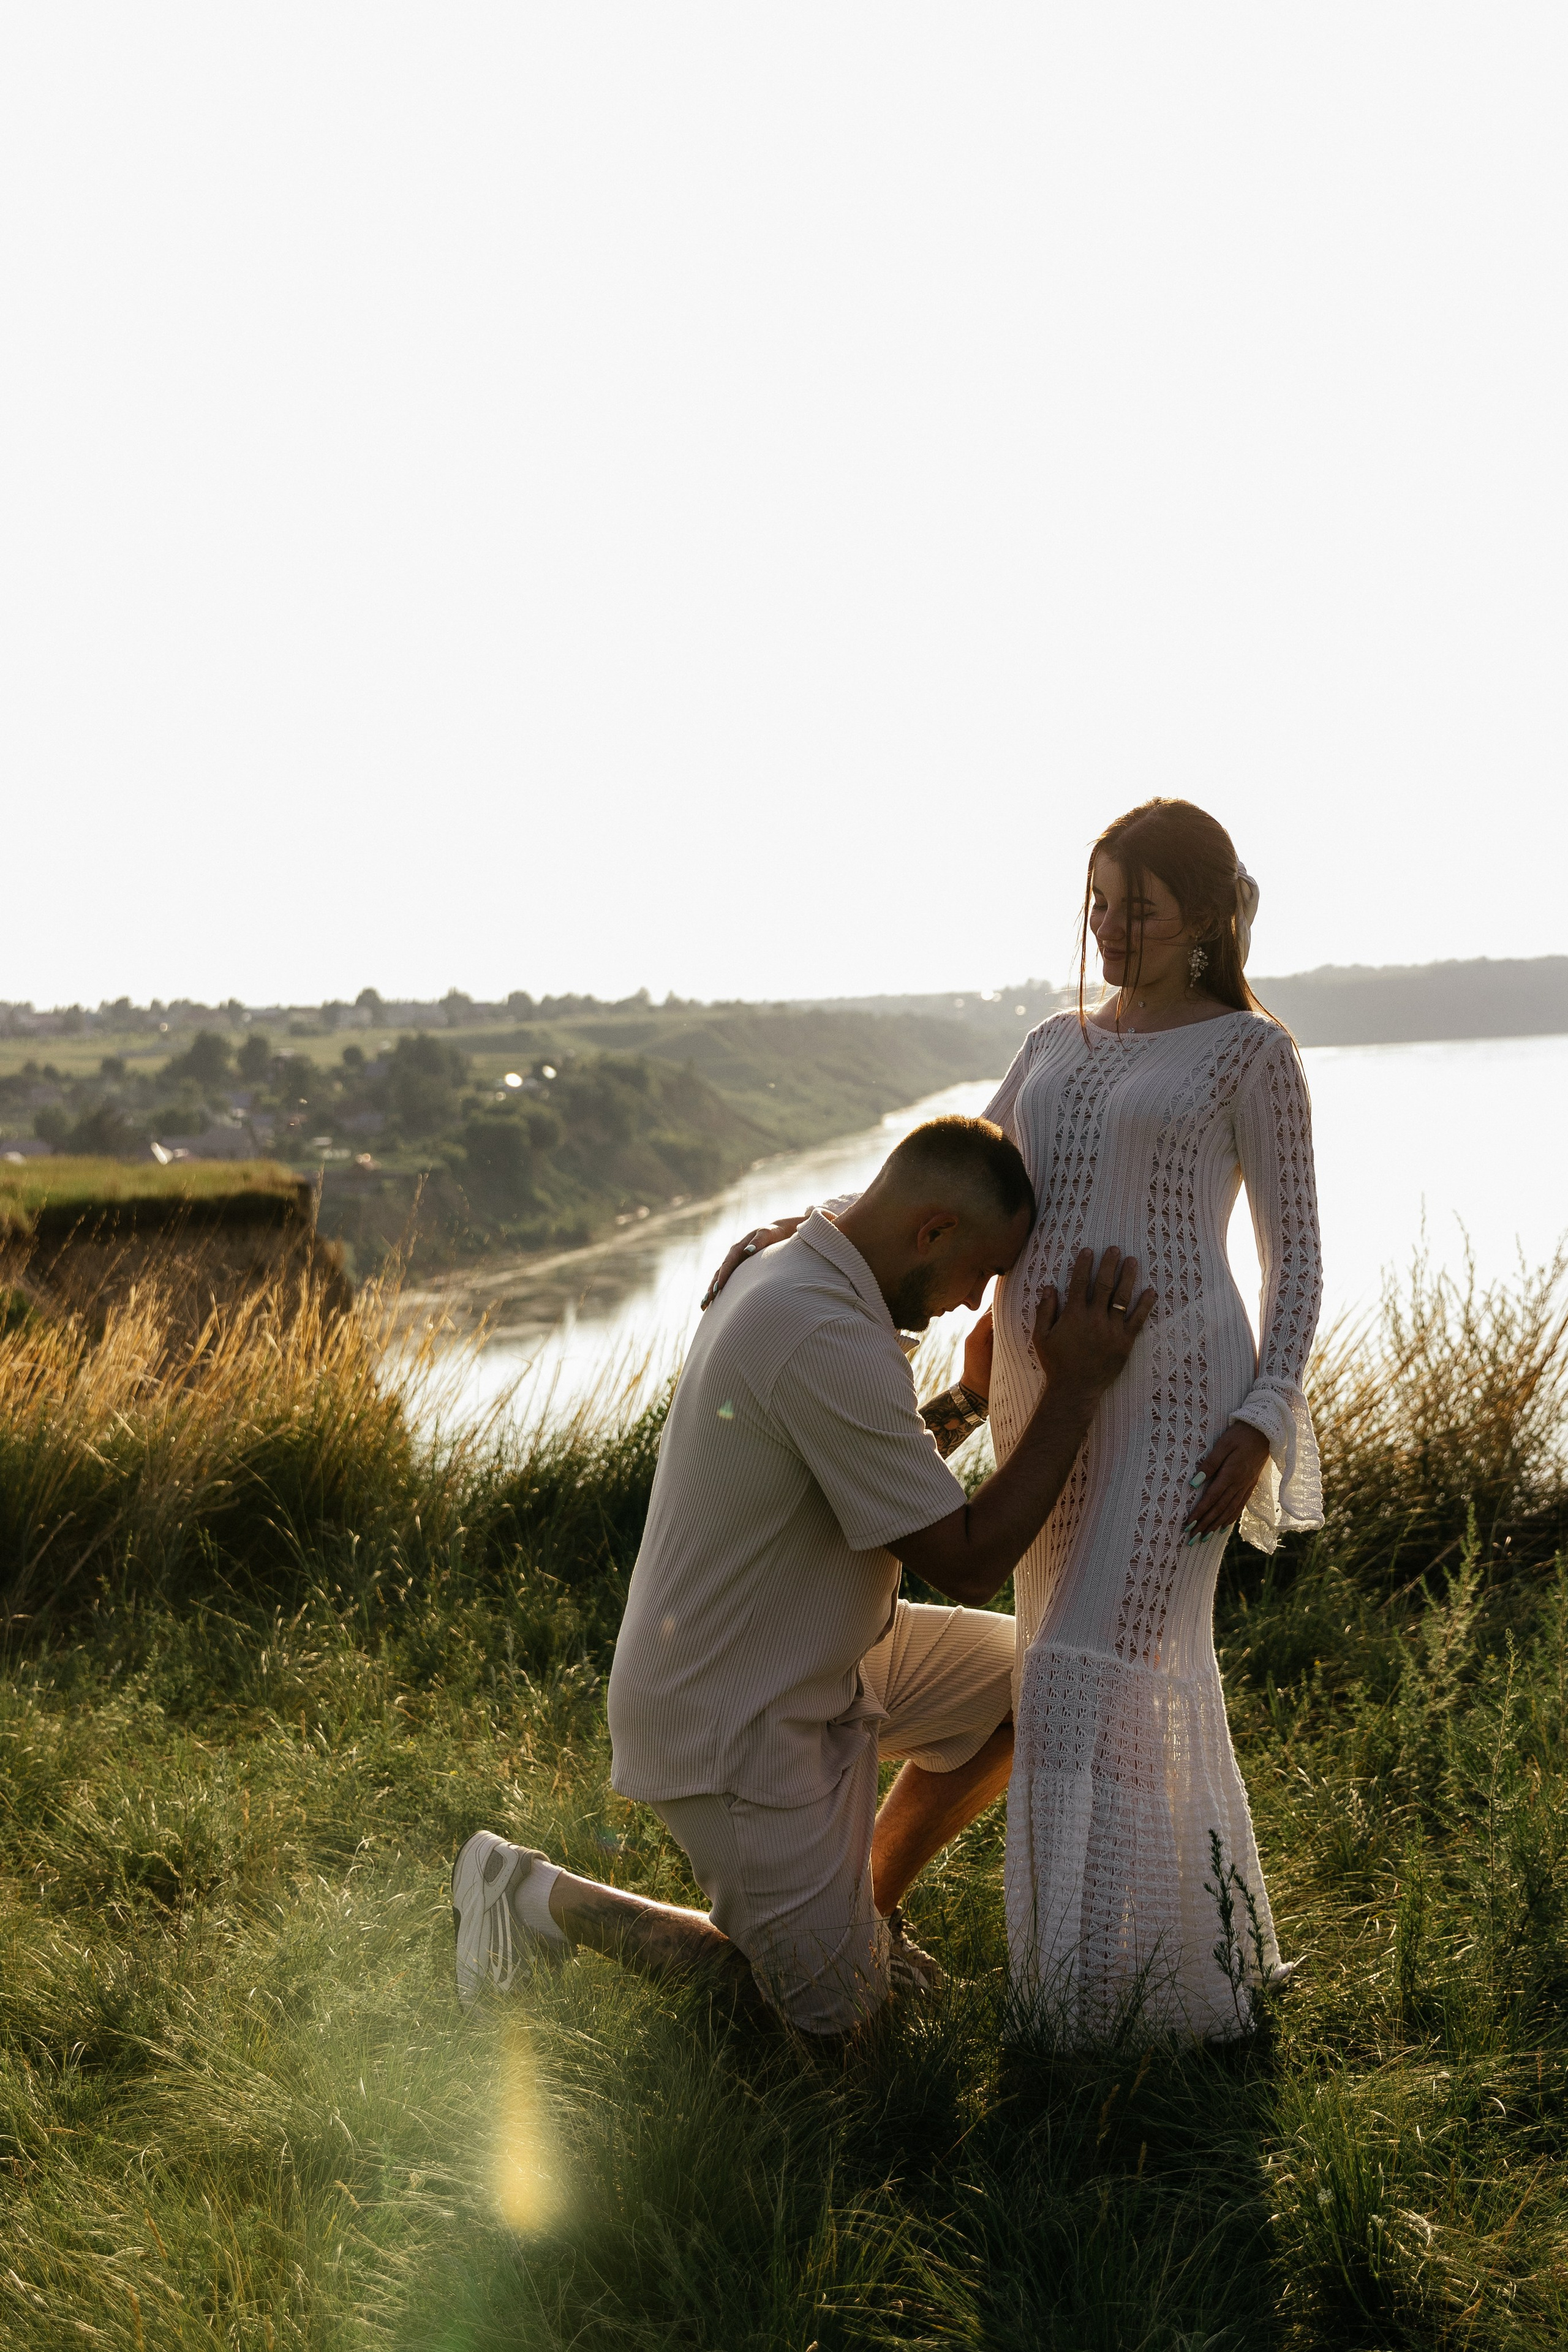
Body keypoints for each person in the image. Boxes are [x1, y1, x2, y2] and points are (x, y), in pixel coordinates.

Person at [703, 801, 1324, 2039]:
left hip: (1180, 1399)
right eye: (1096, 904)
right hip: (1049, 1392)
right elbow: (943, 1178)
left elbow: (1295, 1258)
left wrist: (1264, 1414)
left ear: (1206, 915)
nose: (1109, 930)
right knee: (1057, 1671)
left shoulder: (1250, 1053)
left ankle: (1108, 2008)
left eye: (1137, 909)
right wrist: (809, 1227)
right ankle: (1137, 1978)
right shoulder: (1052, 1043)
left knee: (1103, 1665)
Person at [452, 1115, 1153, 2035]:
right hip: (732, 1713)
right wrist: (1076, 1389)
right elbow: (969, 1559)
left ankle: (862, 1918)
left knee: (1045, 1681)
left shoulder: (816, 1259)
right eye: (981, 1272)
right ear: (934, 1230)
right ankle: (531, 1893)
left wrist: (974, 1398)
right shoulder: (821, 1331)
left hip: (822, 1651)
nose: (974, 1303)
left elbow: (868, 1471)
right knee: (843, 2042)